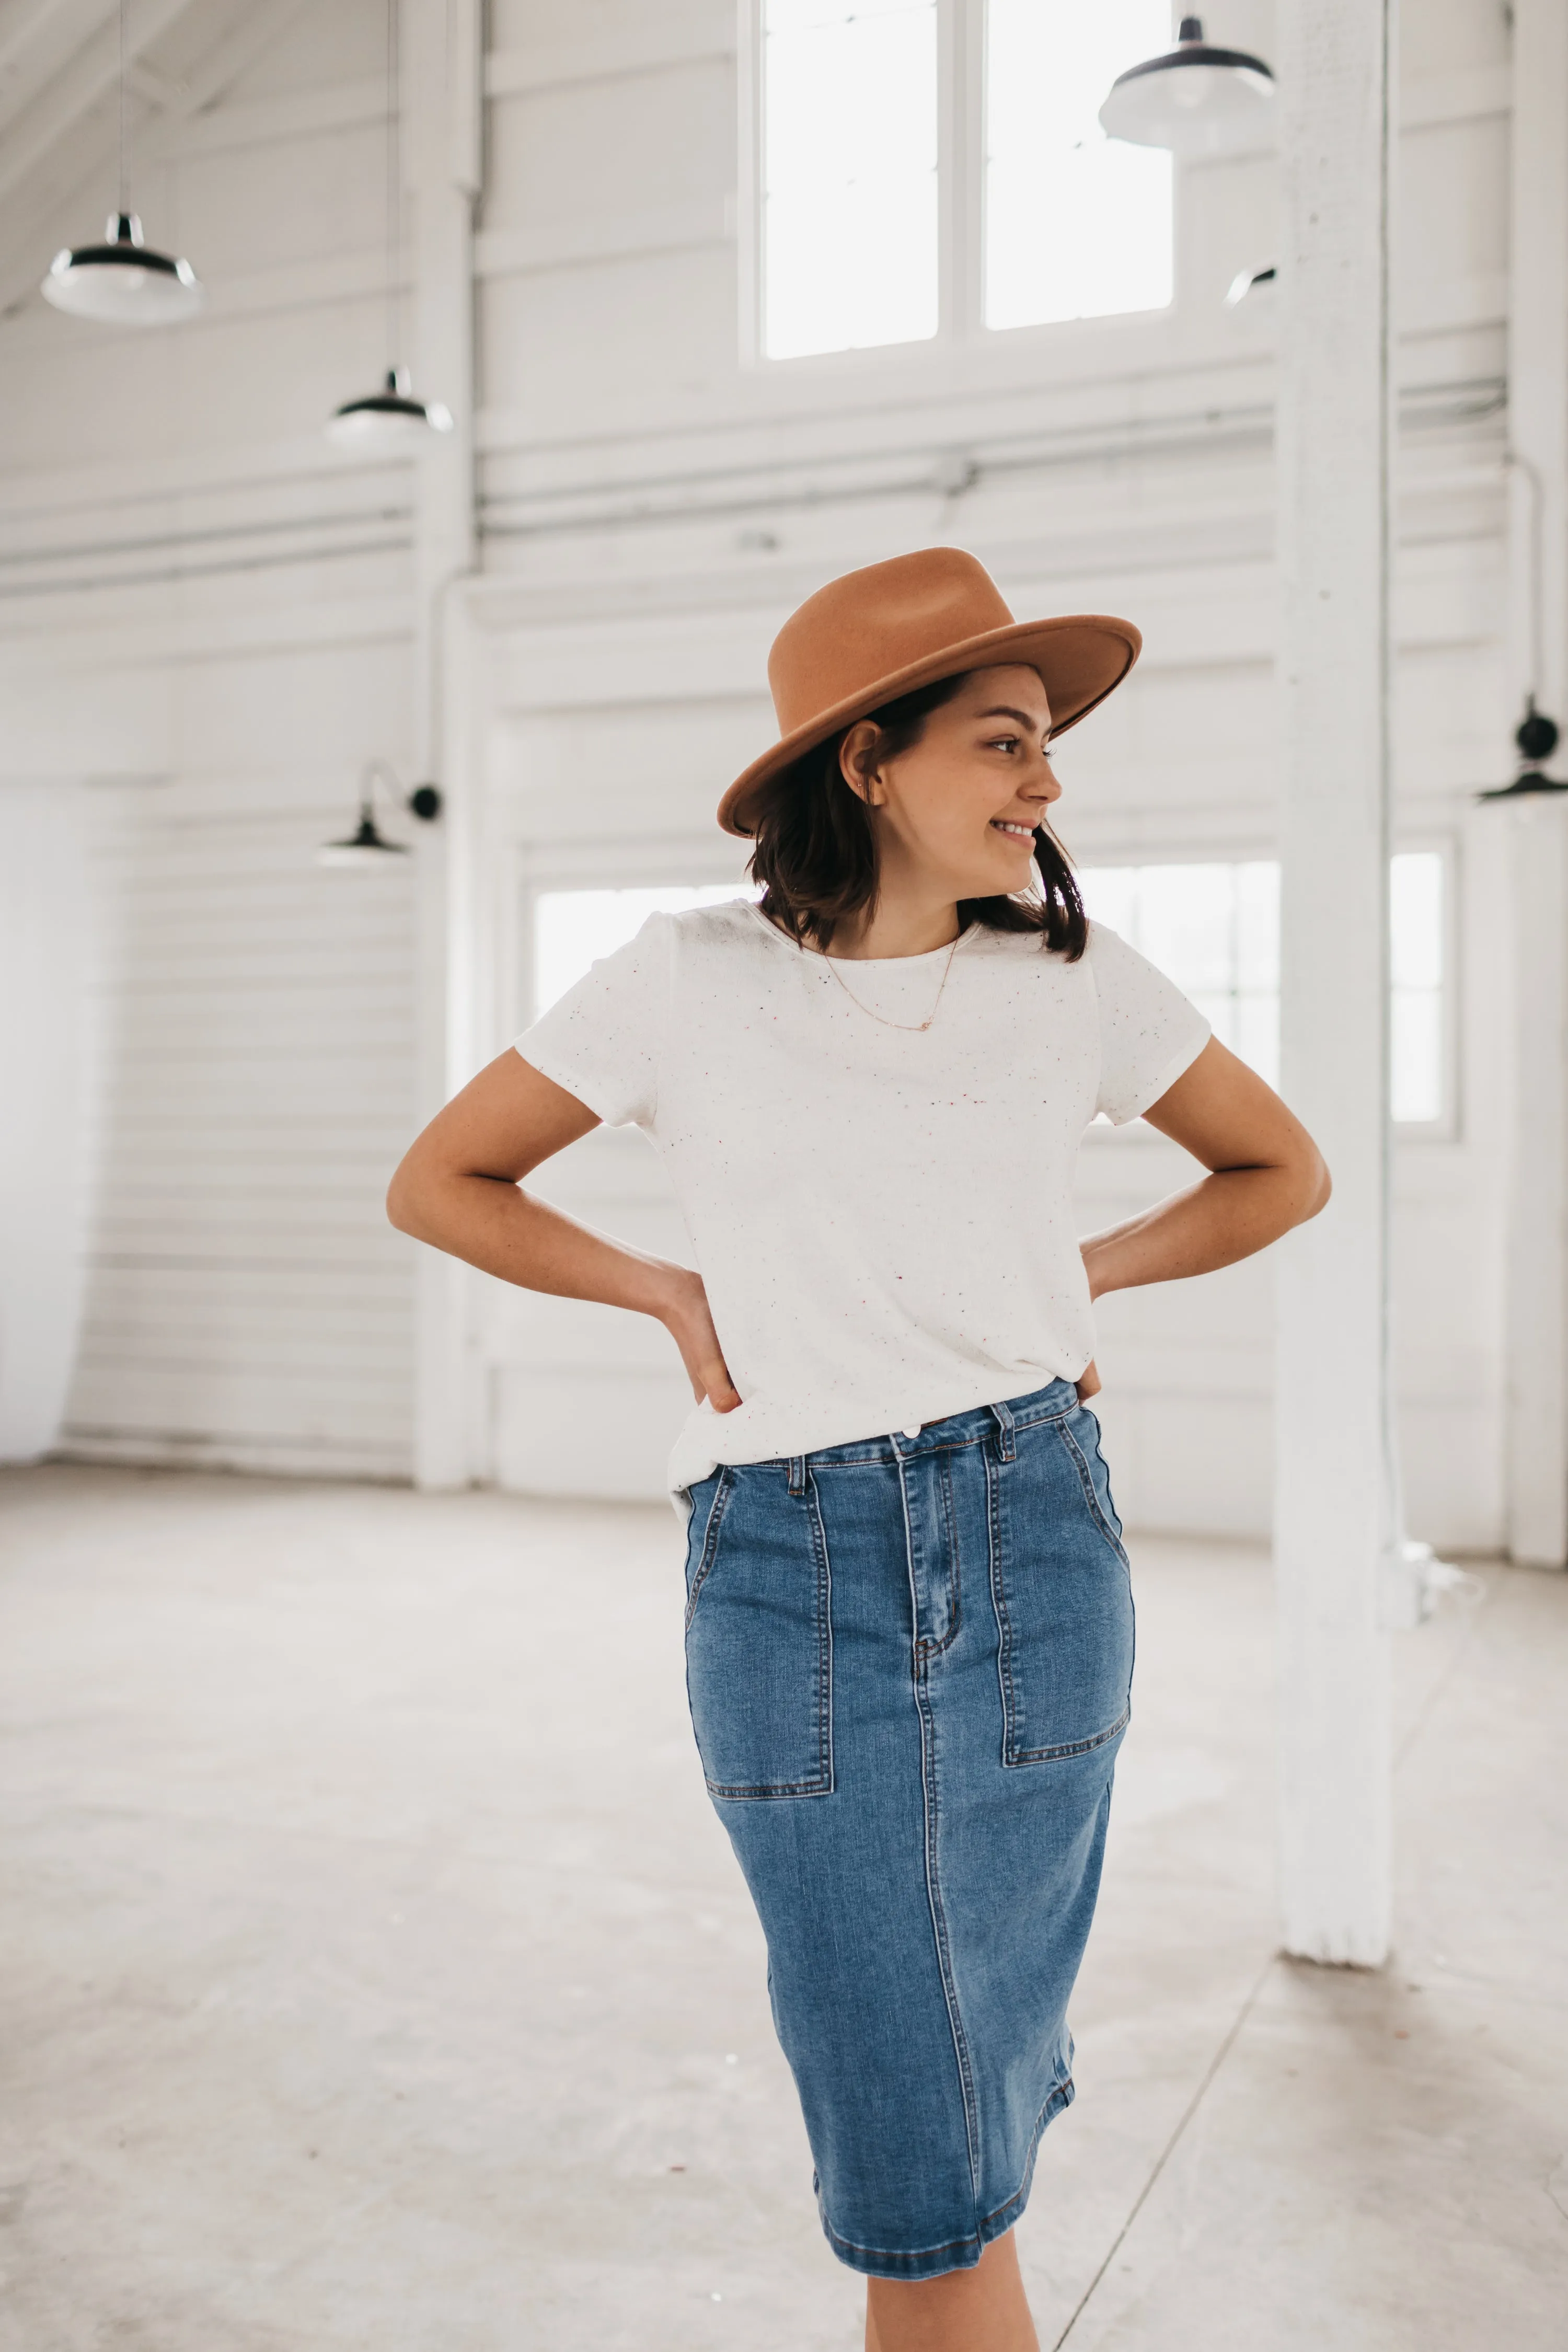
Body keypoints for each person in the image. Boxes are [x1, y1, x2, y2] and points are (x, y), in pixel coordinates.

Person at [387, 547, 1329, 2352]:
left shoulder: (1078, 980)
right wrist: (662, 1290)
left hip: (1041, 1539)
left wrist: (1082, 1270)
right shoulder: (683, 978)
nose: (1045, 782)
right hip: (786, 1574)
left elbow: (1283, 1168)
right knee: (911, 2107)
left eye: (1046, 745)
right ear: (868, 762)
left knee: (961, 2102)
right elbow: (443, 1178)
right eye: (1003, 740)